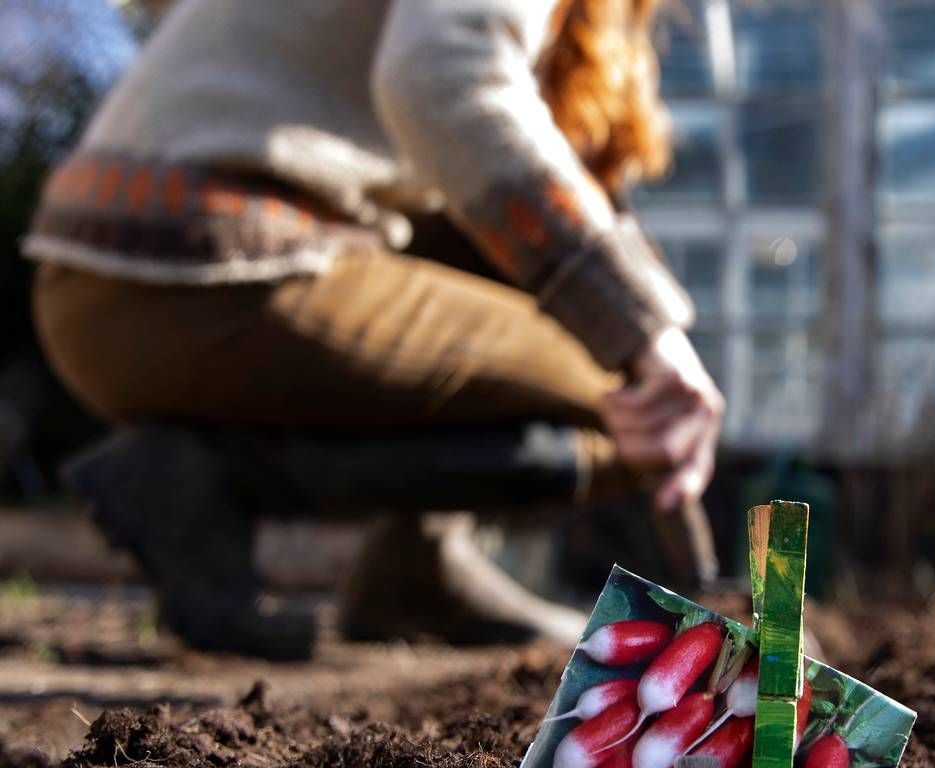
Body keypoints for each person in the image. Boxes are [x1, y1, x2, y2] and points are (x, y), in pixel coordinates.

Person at [24, 0, 725, 660]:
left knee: (510, 246)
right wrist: (644, 335)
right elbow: (444, 77)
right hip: (209, 265)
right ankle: (211, 478)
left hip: (90, 276)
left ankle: (416, 569)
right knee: (627, 411)